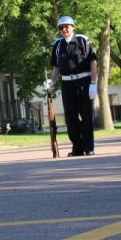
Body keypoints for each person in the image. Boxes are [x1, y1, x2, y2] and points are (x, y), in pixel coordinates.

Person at [44, 16, 98, 156]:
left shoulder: (83, 40)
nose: (64, 30)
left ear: (73, 27)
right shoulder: (57, 45)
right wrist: (51, 81)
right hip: (67, 84)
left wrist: (93, 83)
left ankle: (89, 147)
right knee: (70, 118)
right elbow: (57, 67)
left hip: (84, 82)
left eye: (67, 26)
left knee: (86, 117)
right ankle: (77, 148)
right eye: (61, 28)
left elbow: (93, 63)